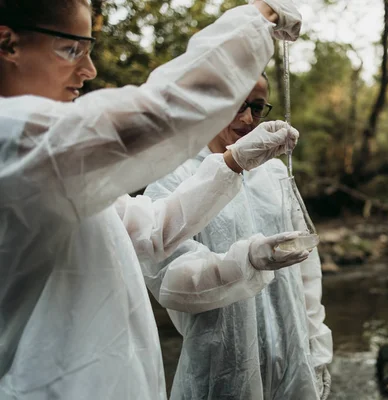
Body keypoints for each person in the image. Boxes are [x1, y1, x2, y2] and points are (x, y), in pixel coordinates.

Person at [0, 0, 303, 398]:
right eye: (73, 49)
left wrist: (231, 163)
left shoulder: (46, 162)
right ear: (7, 44)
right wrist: (258, 17)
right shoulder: (13, 137)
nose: (89, 71)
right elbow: (161, 112)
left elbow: (151, 229)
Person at [141, 73, 333, 400]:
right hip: (221, 374)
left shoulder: (274, 173)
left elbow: (307, 273)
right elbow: (169, 281)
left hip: (293, 368)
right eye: (236, 105)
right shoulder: (176, 176)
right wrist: (248, 260)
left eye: (257, 108)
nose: (247, 119)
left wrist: (318, 349)